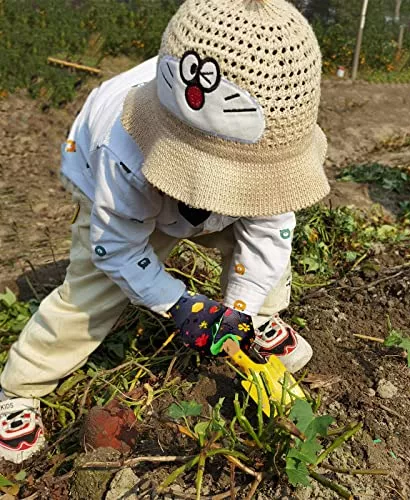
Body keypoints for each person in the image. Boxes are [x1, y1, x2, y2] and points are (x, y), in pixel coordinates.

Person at [0, 0, 329, 464]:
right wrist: (178, 303)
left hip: (207, 163)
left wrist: (238, 309)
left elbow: (270, 233)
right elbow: (117, 247)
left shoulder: (269, 143)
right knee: (93, 292)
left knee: (260, 245)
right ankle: (20, 388)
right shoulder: (124, 150)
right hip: (123, 198)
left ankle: (257, 321)